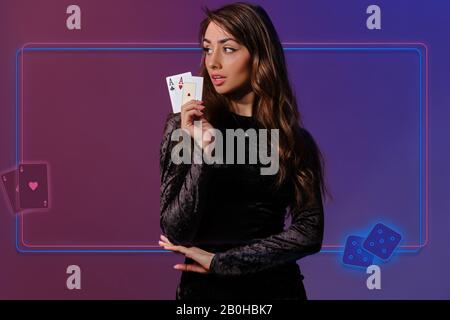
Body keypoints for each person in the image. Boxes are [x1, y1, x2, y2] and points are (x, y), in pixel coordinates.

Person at [159, 2, 326, 300]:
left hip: (276, 292)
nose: (213, 62)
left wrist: (224, 263)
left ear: (259, 56)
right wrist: (203, 152)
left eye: (229, 49)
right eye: (208, 49)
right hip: (205, 297)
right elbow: (176, 231)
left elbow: (309, 233)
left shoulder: (292, 139)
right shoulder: (185, 126)